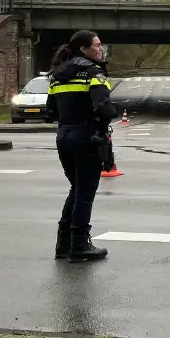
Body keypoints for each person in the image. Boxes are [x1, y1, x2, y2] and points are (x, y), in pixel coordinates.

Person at [45, 29, 117, 262]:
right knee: (85, 193)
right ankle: (79, 245)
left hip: (63, 137)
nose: (100, 48)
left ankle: (63, 244)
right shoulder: (93, 73)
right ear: (84, 49)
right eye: (96, 45)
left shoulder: (56, 75)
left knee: (76, 190)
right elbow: (103, 107)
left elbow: (50, 112)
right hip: (87, 137)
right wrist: (109, 113)